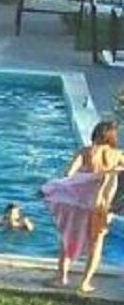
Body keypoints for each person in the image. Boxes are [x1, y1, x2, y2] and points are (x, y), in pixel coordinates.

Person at [42, 120, 123, 293]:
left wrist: (83, 179)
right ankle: (85, 283)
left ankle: (61, 277)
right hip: (102, 206)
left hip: (80, 205)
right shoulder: (118, 156)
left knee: (67, 238)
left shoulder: (86, 152)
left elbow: (68, 175)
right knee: (96, 243)